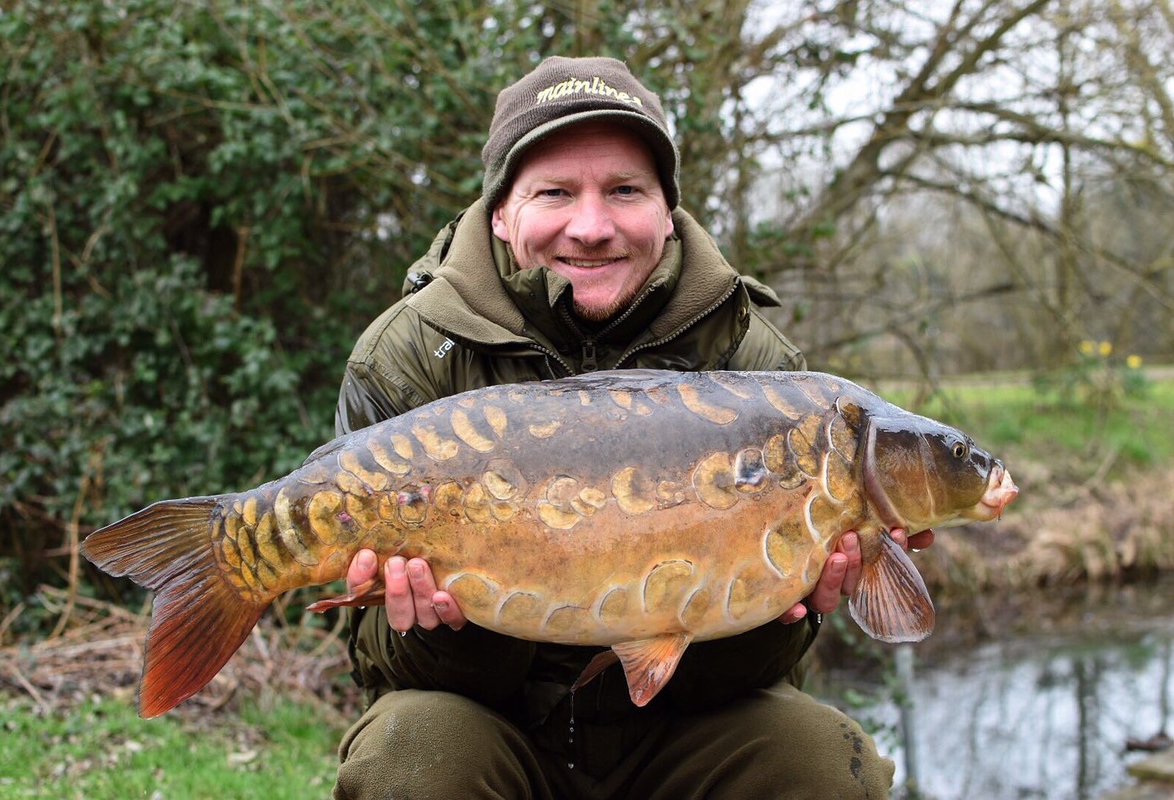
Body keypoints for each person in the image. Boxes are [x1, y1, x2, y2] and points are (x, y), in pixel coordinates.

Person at [331, 56, 932, 800]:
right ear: (499, 212)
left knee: (821, 756)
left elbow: (767, 677)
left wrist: (783, 603)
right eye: (555, 192)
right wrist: (447, 629)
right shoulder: (408, 357)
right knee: (410, 751)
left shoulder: (756, 366)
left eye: (624, 190)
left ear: (667, 209)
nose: (592, 226)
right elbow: (373, 660)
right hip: (491, 726)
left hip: (685, 732)